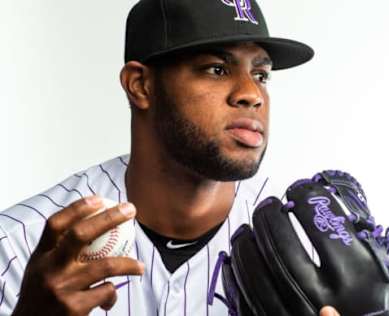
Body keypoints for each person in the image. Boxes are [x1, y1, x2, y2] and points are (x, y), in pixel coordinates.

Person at [0, 0, 340, 315]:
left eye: (261, 75)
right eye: (217, 69)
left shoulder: (312, 247)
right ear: (140, 85)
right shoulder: (18, 246)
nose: (252, 94)